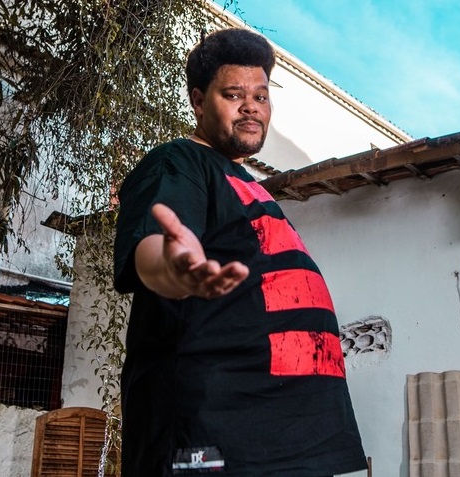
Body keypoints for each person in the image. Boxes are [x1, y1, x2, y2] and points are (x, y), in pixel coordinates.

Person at [113, 27, 367, 477]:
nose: (251, 106)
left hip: (292, 438)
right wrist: (175, 269)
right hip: (216, 434)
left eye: (261, 96)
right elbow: (153, 250)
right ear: (198, 101)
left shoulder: (250, 186)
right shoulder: (180, 162)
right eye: (233, 94)